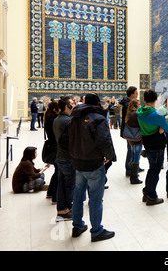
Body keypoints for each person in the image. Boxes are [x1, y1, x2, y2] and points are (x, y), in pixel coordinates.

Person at [68, 93, 116, 242]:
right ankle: (96, 231)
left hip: (77, 162)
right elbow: (104, 140)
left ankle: (77, 225)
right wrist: (110, 156)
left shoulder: (74, 118)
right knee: (95, 198)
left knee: (78, 195)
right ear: (97, 104)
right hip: (93, 162)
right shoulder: (98, 118)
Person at [137, 89, 168, 206]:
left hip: (147, 143)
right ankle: (151, 196)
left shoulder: (139, 112)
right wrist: (161, 128)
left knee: (152, 169)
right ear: (156, 99)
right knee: (154, 171)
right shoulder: (157, 114)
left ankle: (146, 192)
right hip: (157, 144)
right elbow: (167, 128)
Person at [52, 96, 76, 221]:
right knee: (69, 184)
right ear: (67, 106)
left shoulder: (58, 119)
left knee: (62, 184)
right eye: (72, 103)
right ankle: (66, 208)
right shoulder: (68, 121)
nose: (74, 104)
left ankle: (62, 209)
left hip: (60, 156)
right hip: (67, 157)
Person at [44, 100, 59, 204]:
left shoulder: (49, 118)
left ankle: (50, 192)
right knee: (58, 172)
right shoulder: (53, 120)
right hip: (56, 147)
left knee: (57, 172)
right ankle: (54, 196)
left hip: (52, 146)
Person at [120, 86, 138, 176]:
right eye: (136, 93)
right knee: (131, 150)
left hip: (131, 130)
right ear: (132, 94)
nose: (137, 94)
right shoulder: (128, 105)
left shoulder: (128, 103)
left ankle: (135, 166)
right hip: (130, 130)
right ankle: (129, 169)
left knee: (133, 149)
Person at [125, 98, 143, 184]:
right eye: (139, 104)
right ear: (135, 106)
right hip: (137, 139)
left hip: (131, 139)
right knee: (136, 157)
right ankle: (134, 177)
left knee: (132, 156)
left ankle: (133, 174)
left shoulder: (129, 113)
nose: (140, 105)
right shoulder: (136, 114)